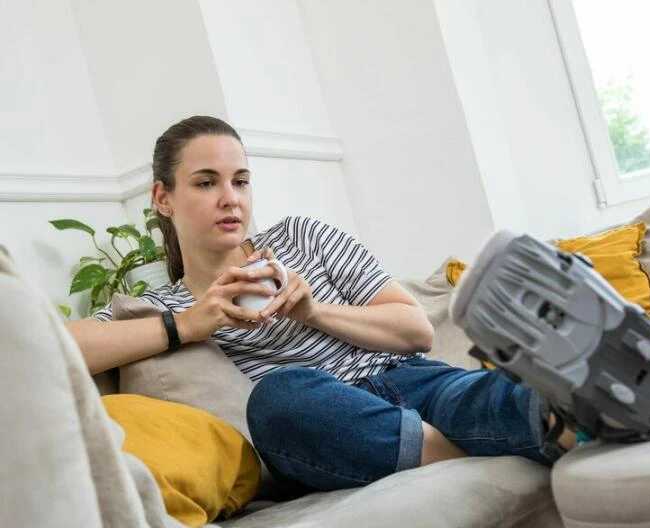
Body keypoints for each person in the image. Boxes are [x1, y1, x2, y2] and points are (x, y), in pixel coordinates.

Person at [67, 115, 571, 493]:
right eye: (206, 182)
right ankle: (486, 446)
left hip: (407, 379)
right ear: (163, 198)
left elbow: (418, 331)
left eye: (240, 181)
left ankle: (580, 410)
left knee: (483, 391)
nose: (231, 199)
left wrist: (313, 310)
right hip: (325, 418)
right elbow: (59, 348)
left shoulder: (303, 237)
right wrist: (188, 324)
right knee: (278, 399)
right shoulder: (163, 305)